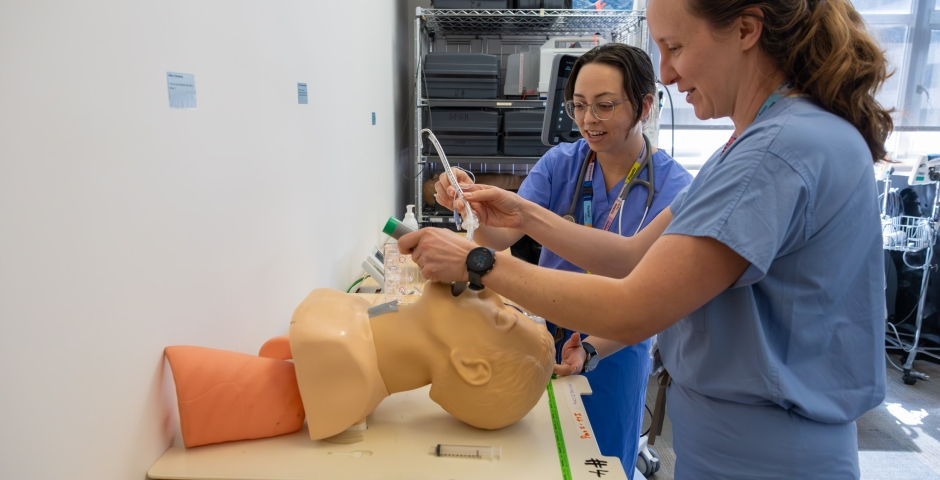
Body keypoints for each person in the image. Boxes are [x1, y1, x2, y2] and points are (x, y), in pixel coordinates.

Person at [399, 0, 892, 477]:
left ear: (745, 30)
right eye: (579, 106)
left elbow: (634, 302)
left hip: (764, 452)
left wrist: (479, 263)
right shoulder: (764, 144)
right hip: (737, 442)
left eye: (675, 46)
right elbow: (633, 255)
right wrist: (523, 213)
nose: (670, 73)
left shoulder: (774, 153)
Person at [463, 43, 691, 477]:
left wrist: (589, 350)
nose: (588, 120)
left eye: (604, 106)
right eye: (579, 105)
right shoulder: (561, 163)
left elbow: (645, 286)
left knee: (600, 462)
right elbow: (501, 234)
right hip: (543, 333)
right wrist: (470, 208)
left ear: (644, 105)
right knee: (537, 455)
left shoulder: (676, 187)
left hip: (615, 343)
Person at [164, 281, 554, 447]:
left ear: (470, 365)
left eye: (498, 316)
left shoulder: (338, 351)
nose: (487, 290)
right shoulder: (363, 320)